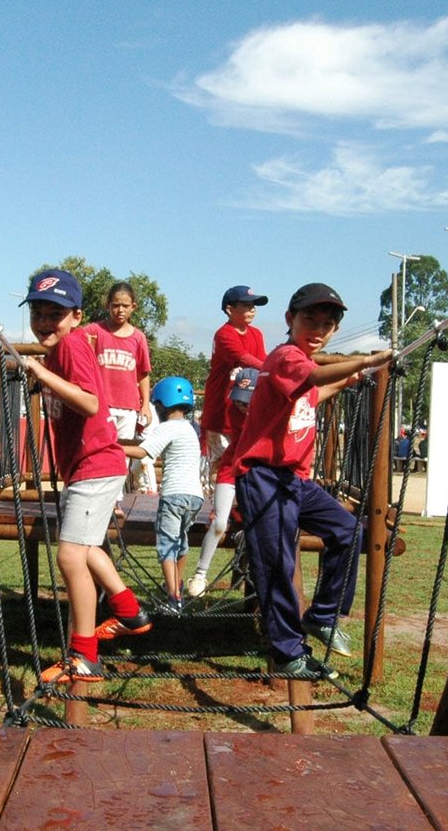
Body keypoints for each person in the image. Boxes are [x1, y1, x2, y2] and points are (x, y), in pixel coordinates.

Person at [229, 282, 394, 679]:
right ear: (290, 319)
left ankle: (323, 614)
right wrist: (362, 361)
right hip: (264, 477)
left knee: (348, 530)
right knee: (278, 563)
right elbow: (316, 377)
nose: (318, 330)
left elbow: (314, 394)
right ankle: (288, 653)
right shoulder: (288, 356)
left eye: (328, 324)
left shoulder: (300, 369)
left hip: (295, 481)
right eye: (310, 320)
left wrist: (351, 381)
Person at [17, 268, 151, 684]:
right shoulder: (63, 351)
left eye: (54, 313)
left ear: (76, 316)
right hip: (90, 465)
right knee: (88, 547)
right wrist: (45, 374)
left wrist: (42, 374)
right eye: (38, 312)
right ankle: (130, 612)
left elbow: (93, 404)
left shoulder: (73, 347)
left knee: (69, 555)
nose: (44, 321)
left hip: (96, 463)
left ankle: (84, 655)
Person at [186, 285, 269, 599]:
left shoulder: (257, 333)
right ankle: (221, 510)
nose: (251, 310)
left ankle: (236, 509)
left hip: (245, 410)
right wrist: (277, 366)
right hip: (221, 409)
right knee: (222, 461)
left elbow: (257, 366)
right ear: (229, 308)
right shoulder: (224, 334)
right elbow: (246, 359)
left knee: (245, 462)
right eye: (245, 305)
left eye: (254, 306)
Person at [122, 377, 202, 615]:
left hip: (174, 495)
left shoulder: (167, 427)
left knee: (167, 544)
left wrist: (112, 447)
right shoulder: (190, 428)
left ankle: (173, 598)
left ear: (161, 404)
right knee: (181, 542)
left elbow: (143, 451)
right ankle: (176, 588)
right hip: (195, 497)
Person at [87, 282, 155, 494]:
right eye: (116, 305)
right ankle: (95, 493)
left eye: (125, 305)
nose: (120, 310)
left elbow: (143, 373)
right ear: (108, 305)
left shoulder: (138, 337)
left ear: (133, 306)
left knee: (121, 454)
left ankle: (115, 498)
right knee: (97, 449)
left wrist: (145, 405)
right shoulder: (94, 332)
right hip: (101, 404)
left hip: (127, 405)